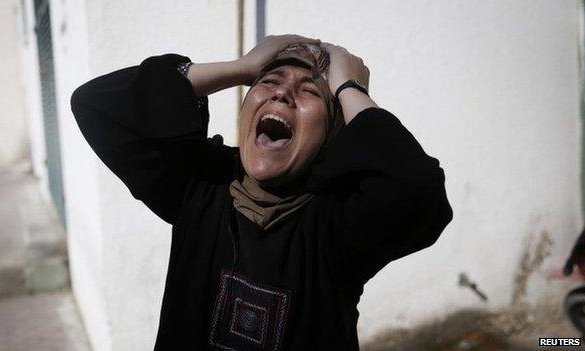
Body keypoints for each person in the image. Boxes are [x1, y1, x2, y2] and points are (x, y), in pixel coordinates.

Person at [70, 34, 453, 351]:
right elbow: (97, 105)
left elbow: (418, 189)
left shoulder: (338, 224)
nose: (282, 94)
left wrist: (349, 87)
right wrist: (243, 67)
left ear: (330, 135)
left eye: (309, 92)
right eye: (268, 82)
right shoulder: (202, 183)